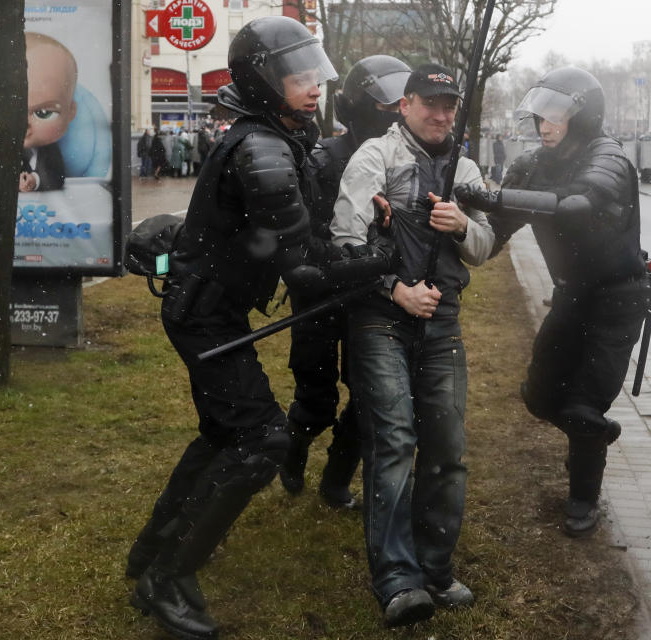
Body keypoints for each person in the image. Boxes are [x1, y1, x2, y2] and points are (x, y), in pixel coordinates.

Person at [124, 17, 396, 640]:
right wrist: (378, 261)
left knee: (223, 434)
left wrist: (363, 245)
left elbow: (306, 239)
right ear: (261, 79)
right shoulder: (263, 148)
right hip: (204, 315)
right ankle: (167, 577)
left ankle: (149, 554)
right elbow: (302, 270)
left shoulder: (277, 134)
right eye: (296, 76)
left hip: (203, 306)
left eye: (313, 73)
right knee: (261, 442)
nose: (313, 87)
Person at [330, 62, 494, 627]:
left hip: (443, 323)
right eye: (429, 102)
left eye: (449, 104)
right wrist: (394, 289)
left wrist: (461, 227)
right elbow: (345, 243)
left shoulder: (466, 168)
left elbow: (484, 246)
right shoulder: (374, 158)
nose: (441, 113)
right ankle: (398, 579)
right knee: (395, 442)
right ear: (405, 105)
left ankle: (435, 567)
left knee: (447, 448)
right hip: (381, 319)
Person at [455, 66, 648, 538]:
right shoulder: (531, 165)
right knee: (539, 397)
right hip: (573, 294)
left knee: (583, 405)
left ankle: (583, 496)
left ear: (583, 117)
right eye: (540, 116)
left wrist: (499, 198)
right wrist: (454, 225)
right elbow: (492, 237)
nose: (545, 126)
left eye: (556, 115)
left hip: (618, 299)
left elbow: (582, 203)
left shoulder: (610, 159)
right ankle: (593, 433)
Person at [279, 54, 412, 509]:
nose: (395, 113)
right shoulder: (321, 160)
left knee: (366, 398)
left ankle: (336, 481)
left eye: (400, 104)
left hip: (373, 296)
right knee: (315, 398)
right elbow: (303, 235)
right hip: (321, 292)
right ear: (357, 105)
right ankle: (293, 450)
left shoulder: (407, 160)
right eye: (387, 105)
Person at [0, 32, 77, 192]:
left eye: (44, 112)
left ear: (71, 112)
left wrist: (35, 180)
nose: (23, 126)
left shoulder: (50, 151)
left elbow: (57, 177)